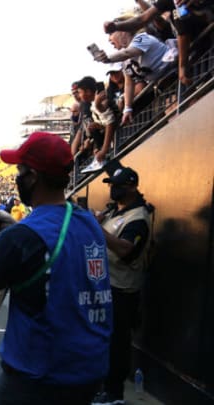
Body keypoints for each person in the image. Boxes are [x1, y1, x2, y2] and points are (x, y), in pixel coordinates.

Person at [0, 132, 112, 405]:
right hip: (89, 369)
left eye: (20, 171)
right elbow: (56, 246)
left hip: (39, 375)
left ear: (33, 177)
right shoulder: (87, 222)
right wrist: (16, 226)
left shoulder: (21, 238)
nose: (16, 179)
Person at [92, 167, 153, 405]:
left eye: (116, 185)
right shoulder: (115, 212)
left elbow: (126, 249)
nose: (112, 188)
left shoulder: (137, 218)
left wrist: (96, 228)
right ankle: (103, 387)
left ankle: (114, 393)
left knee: (117, 343)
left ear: (131, 186)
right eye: (110, 184)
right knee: (103, 340)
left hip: (122, 290)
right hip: (105, 286)